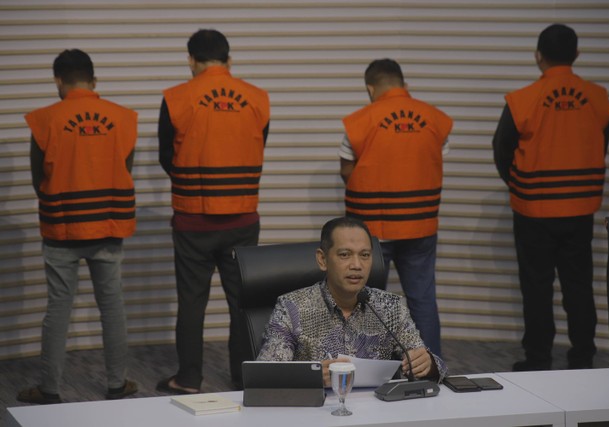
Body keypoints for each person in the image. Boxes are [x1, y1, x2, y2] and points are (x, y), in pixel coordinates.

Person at [17, 49, 138, 404]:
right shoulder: (124, 118)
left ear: (58, 81)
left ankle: (49, 389)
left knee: (58, 307)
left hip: (61, 229)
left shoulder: (45, 120)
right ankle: (117, 384)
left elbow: (38, 180)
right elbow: (124, 168)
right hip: (109, 226)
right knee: (112, 305)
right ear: (94, 81)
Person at [492, 24, 609, 371]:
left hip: (533, 209)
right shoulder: (599, 98)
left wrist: (517, 184)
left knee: (537, 286)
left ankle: (538, 359)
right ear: (576, 55)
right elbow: (600, 145)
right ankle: (583, 358)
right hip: (580, 208)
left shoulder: (522, 100)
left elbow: (502, 151)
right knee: (579, 285)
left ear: (538, 56)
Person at [156, 29, 270, 393]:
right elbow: (259, 146)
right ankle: (243, 376)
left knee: (192, 302)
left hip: (193, 219)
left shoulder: (175, 98)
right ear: (228, 60)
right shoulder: (258, 99)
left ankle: (188, 378)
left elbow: (165, 157)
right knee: (242, 303)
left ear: (191, 60)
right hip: (242, 217)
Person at [338, 59, 453, 357]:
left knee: (367, 303)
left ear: (370, 88)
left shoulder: (359, 121)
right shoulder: (436, 120)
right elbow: (434, 160)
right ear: (404, 85)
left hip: (371, 230)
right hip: (421, 226)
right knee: (422, 300)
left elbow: (347, 173)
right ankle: (431, 370)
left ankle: (370, 372)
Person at [258, 217, 447, 385]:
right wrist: (309, 377)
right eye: (344, 255)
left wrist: (428, 365)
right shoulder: (292, 307)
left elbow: (433, 365)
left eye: (364, 255)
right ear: (322, 259)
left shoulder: (390, 307)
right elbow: (264, 375)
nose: (357, 265)